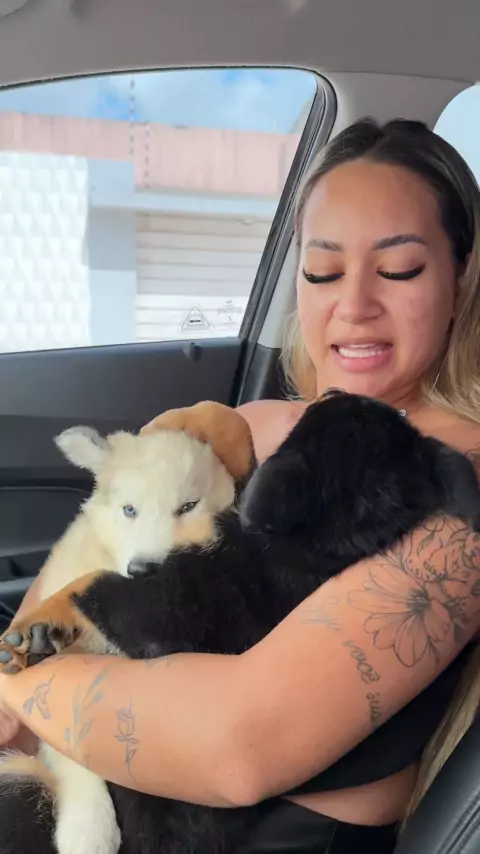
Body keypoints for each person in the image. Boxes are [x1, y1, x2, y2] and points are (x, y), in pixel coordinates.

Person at [1, 116, 480, 853]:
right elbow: (73, 576)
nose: (353, 304)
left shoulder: (453, 489)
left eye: (399, 270)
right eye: (323, 271)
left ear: (461, 277)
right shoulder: (247, 429)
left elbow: (237, 749)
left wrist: (15, 683)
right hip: (97, 797)